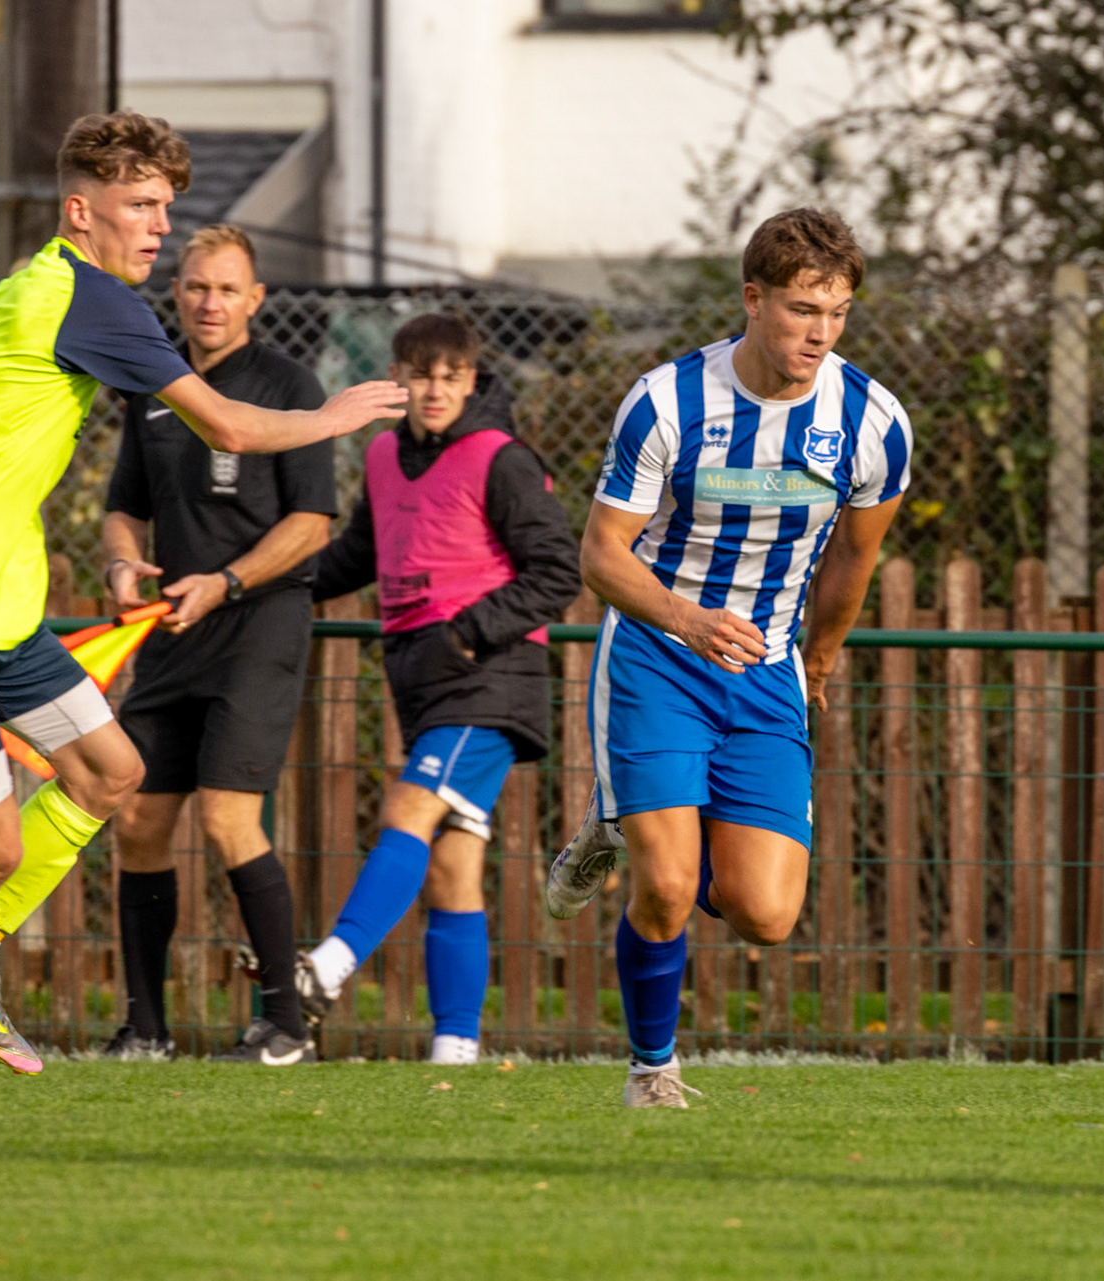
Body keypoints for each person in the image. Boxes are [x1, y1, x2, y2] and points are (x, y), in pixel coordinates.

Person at [0, 110, 406, 1099]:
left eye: (167, 206)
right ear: (82, 212)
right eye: (143, 205)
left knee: (111, 771)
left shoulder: (21, 294)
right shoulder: (90, 299)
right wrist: (331, 416)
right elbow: (227, 427)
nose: (161, 226)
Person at [543, 208, 911, 1108]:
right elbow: (601, 555)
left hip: (767, 670)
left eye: (838, 312)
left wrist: (820, 659)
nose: (821, 333)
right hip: (659, 655)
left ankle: (625, 817)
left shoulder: (872, 421)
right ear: (753, 299)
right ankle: (652, 1070)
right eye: (801, 310)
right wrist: (687, 618)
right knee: (667, 886)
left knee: (767, 915)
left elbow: (855, 557)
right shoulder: (667, 402)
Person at [293, 312, 582, 1065]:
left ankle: (327, 966)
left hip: (490, 677)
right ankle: (457, 1047)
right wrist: (274, 584)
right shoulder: (383, 454)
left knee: (409, 807)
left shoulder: (502, 458)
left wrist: (466, 635)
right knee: (452, 866)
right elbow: (361, 552)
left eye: (450, 378)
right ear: (397, 378)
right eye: (420, 376)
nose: (434, 391)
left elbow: (559, 571)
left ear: (471, 380)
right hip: (421, 680)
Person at [99, 224, 337, 1066]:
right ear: (176, 292)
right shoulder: (154, 384)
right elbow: (123, 506)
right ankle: (145, 1029)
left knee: (230, 818)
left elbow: (313, 523)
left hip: (257, 625)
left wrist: (227, 582)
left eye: (228, 289)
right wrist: (123, 562)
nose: (210, 302)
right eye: (197, 286)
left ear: (255, 299)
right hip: (171, 631)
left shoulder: (288, 385)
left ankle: (286, 1026)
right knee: (137, 818)